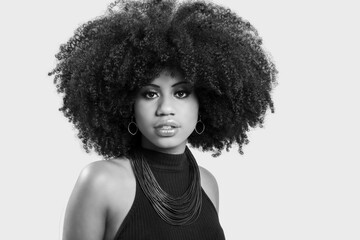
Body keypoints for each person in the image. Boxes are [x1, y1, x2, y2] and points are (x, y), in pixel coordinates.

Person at [49, 0, 277, 239]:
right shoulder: (102, 181)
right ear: (127, 104)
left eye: (181, 93)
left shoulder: (207, 184)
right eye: (150, 94)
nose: (165, 108)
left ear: (206, 101)